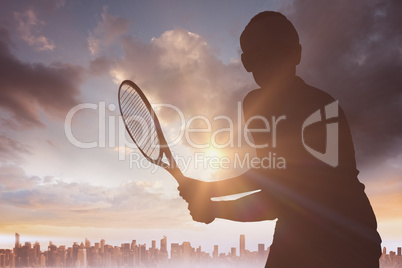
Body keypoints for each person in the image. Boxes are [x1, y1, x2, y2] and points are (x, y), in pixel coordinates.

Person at [178, 11, 382, 268]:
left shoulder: (320, 110)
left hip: (347, 244)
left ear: (296, 53)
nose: (266, 62)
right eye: (254, 56)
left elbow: (290, 202)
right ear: (245, 62)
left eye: (274, 50)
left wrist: (216, 208)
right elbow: (271, 176)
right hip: (295, 235)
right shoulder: (256, 106)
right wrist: (207, 189)